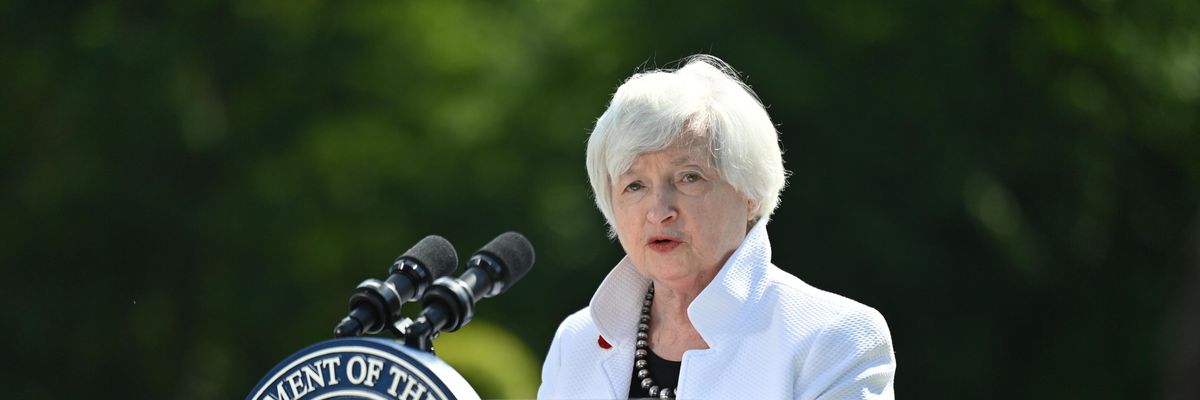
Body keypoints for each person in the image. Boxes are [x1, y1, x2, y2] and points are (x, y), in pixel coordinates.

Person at [537, 55, 897, 399]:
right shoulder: (577, 342)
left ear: (749, 192)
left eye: (689, 177)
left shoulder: (833, 338)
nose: (659, 211)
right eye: (635, 186)